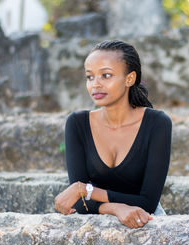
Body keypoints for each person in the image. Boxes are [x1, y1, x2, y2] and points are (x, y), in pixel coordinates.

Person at [55, 40, 172, 229]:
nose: (95, 84)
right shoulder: (77, 124)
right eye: (90, 77)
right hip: (94, 229)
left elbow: (148, 203)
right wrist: (116, 208)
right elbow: (77, 202)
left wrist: (87, 190)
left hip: (147, 226)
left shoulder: (157, 123)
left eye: (106, 75)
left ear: (129, 79)